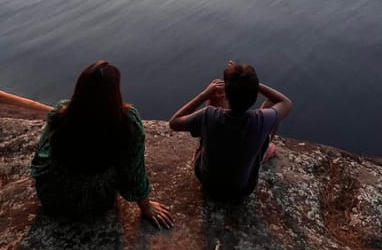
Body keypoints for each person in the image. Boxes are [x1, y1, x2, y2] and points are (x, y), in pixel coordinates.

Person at [31, 60, 173, 228]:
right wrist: (146, 207)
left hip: (53, 197)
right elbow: (134, 172)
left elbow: (42, 155)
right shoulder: (127, 122)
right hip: (96, 202)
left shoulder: (61, 113)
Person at [169, 62, 293, 199]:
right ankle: (264, 152)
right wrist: (252, 84)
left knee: (216, 94)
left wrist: (205, 94)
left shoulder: (208, 115)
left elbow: (174, 123)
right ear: (255, 94)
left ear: (228, 94)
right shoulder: (262, 119)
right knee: (271, 107)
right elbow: (285, 102)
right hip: (241, 190)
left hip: (208, 181)